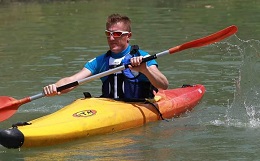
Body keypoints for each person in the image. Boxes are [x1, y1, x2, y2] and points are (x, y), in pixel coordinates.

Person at [43, 14, 168, 100]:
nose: (111, 38)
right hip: (110, 108)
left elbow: (163, 85)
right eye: (108, 34)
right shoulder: (99, 61)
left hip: (139, 104)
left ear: (128, 36)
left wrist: (144, 70)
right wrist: (56, 87)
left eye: (117, 34)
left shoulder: (143, 57)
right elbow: (73, 80)